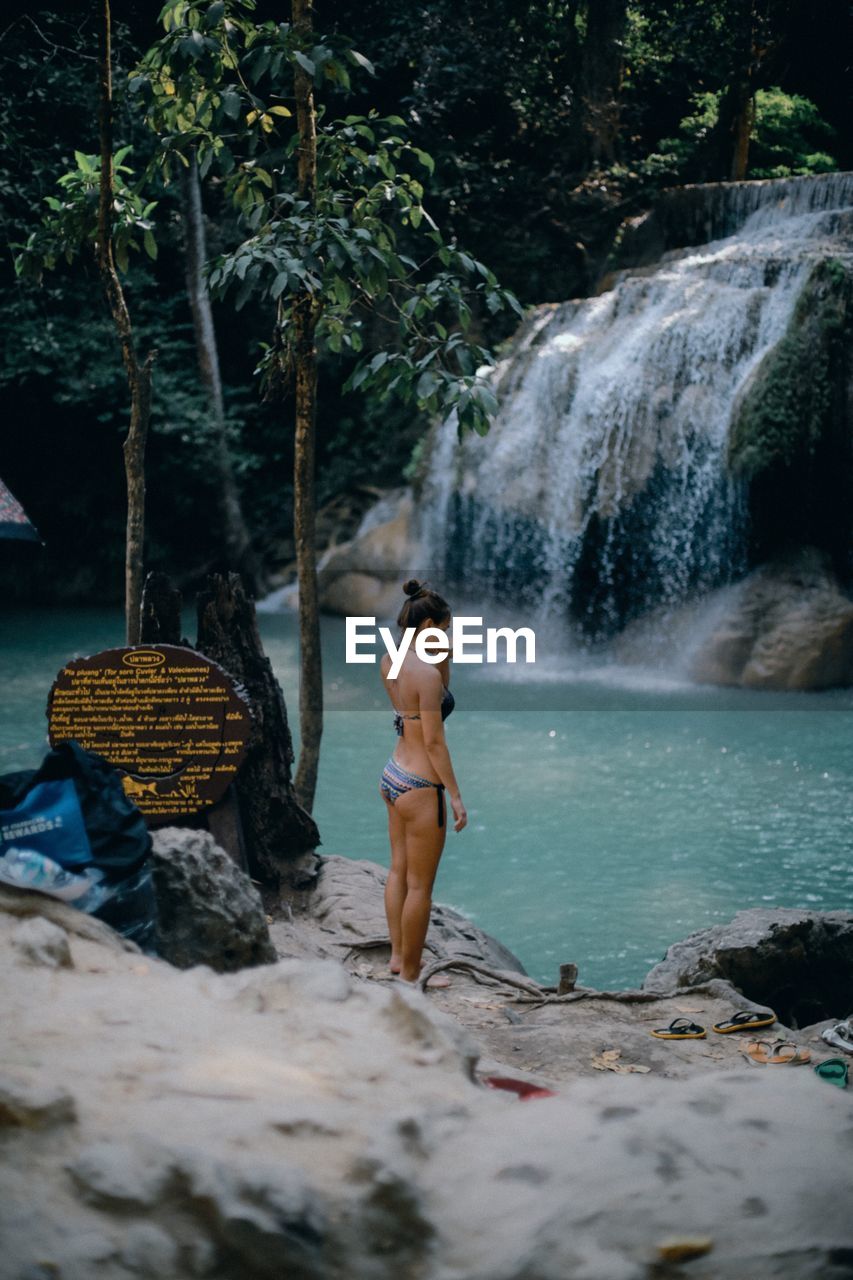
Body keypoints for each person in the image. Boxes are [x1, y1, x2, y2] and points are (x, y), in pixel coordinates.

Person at [379, 579, 467, 987]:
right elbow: (433, 740)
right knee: (420, 886)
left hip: (393, 773)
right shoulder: (426, 676)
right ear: (430, 622)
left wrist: (442, 655)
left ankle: (398, 958)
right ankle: (413, 976)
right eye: (445, 629)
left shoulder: (390, 659)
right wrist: (455, 794)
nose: (447, 636)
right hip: (420, 786)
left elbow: (413, 708)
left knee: (398, 871)